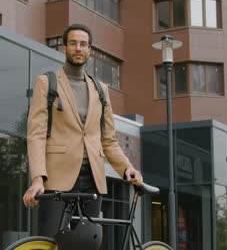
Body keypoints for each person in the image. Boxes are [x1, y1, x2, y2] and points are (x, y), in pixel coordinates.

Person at [23, 23, 143, 238]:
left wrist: (126, 167)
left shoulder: (100, 89)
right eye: (73, 43)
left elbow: (108, 140)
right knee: (51, 240)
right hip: (57, 178)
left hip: (92, 180)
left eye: (83, 44)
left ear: (89, 50)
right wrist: (37, 179)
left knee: (88, 242)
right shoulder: (47, 82)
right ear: (64, 48)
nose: (78, 48)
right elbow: (36, 134)